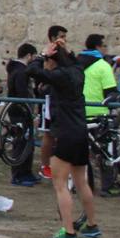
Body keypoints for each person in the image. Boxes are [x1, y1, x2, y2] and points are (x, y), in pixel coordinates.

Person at [29, 34, 99, 238]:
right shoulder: (77, 71)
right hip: (80, 131)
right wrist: (65, 50)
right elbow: (75, 60)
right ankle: (92, 225)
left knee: (61, 185)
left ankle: (68, 231)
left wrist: (43, 55)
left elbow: (31, 71)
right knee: (82, 181)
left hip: (65, 133)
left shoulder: (59, 76)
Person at [78, 34, 120, 197]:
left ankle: (85, 185)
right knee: (105, 151)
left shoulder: (75, 63)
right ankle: (107, 186)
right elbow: (110, 91)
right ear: (97, 47)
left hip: (79, 113)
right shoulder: (103, 66)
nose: (105, 49)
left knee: (82, 152)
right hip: (98, 114)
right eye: (104, 46)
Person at [5, 43, 40, 186]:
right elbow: (22, 95)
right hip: (20, 113)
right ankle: (18, 175)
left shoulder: (18, 70)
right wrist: (30, 114)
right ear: (29, 56)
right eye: (34, 57)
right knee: (21, 143)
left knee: (28, 143)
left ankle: (26, 172)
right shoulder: (21, 72)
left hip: (21, 112)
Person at [38, 25, 68, 180]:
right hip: (51, 97)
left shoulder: (64, 52)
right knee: (49, 133)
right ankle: (45, 166)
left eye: (65, 36)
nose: (64, 39)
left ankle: (59, 165)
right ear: (52, 38)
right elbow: (48, 73)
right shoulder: (50, 53)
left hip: (63, 97)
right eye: (61, 36)